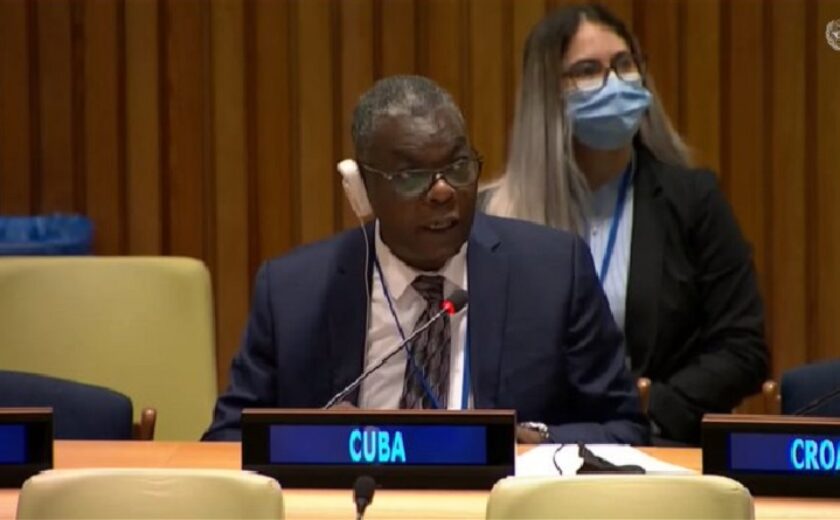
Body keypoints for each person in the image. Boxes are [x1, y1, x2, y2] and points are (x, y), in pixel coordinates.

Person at [203, 75, 647, 444]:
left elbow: (624, 428)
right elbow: (226, 441)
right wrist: (317, 440)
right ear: (363, 189)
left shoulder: (553, 272)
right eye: (411, 176)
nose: (442, 191)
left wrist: (535, 440)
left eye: (458, 167)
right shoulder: (293, 293)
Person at [481, 4, 768, 445]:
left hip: (658, 448)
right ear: (548, 93)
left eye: (624, 64)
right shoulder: (496, 216)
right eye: (588, 71)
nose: (614, 83)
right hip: (533, 451)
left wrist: (651, 407)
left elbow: (743, 346)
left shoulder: (692, 200)